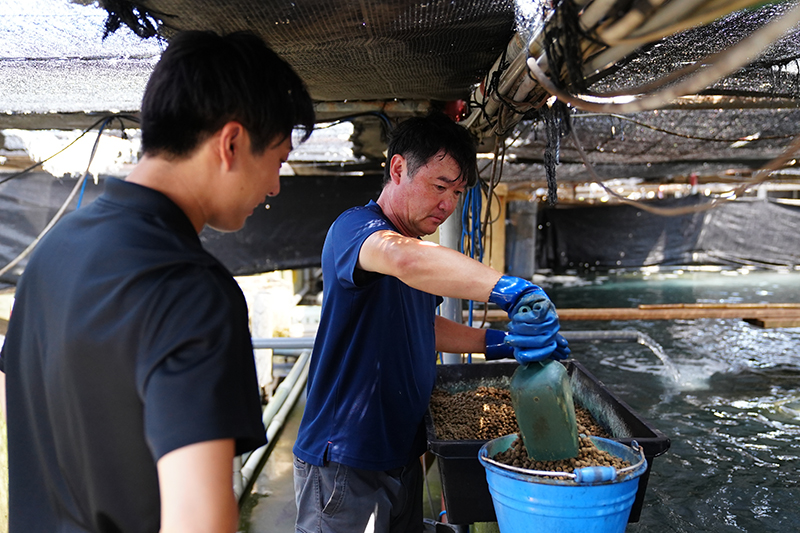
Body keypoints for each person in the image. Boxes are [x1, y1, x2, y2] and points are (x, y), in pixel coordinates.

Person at [0, 30, 314, 533]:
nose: (275, 185)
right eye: (277, 160)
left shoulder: (52, 252)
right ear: (231, 143)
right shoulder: (192, 291)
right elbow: (198, 522)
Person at [292, 112, 569, 533]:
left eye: (457, 192)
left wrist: (503, 342)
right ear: (398, 169)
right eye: (440, 186)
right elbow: (402, 258)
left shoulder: (415, 250)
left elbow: (425, 326)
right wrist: (510, 289)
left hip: (402, 452)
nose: (448, 204)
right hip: (346, 459)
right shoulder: (358, 229)